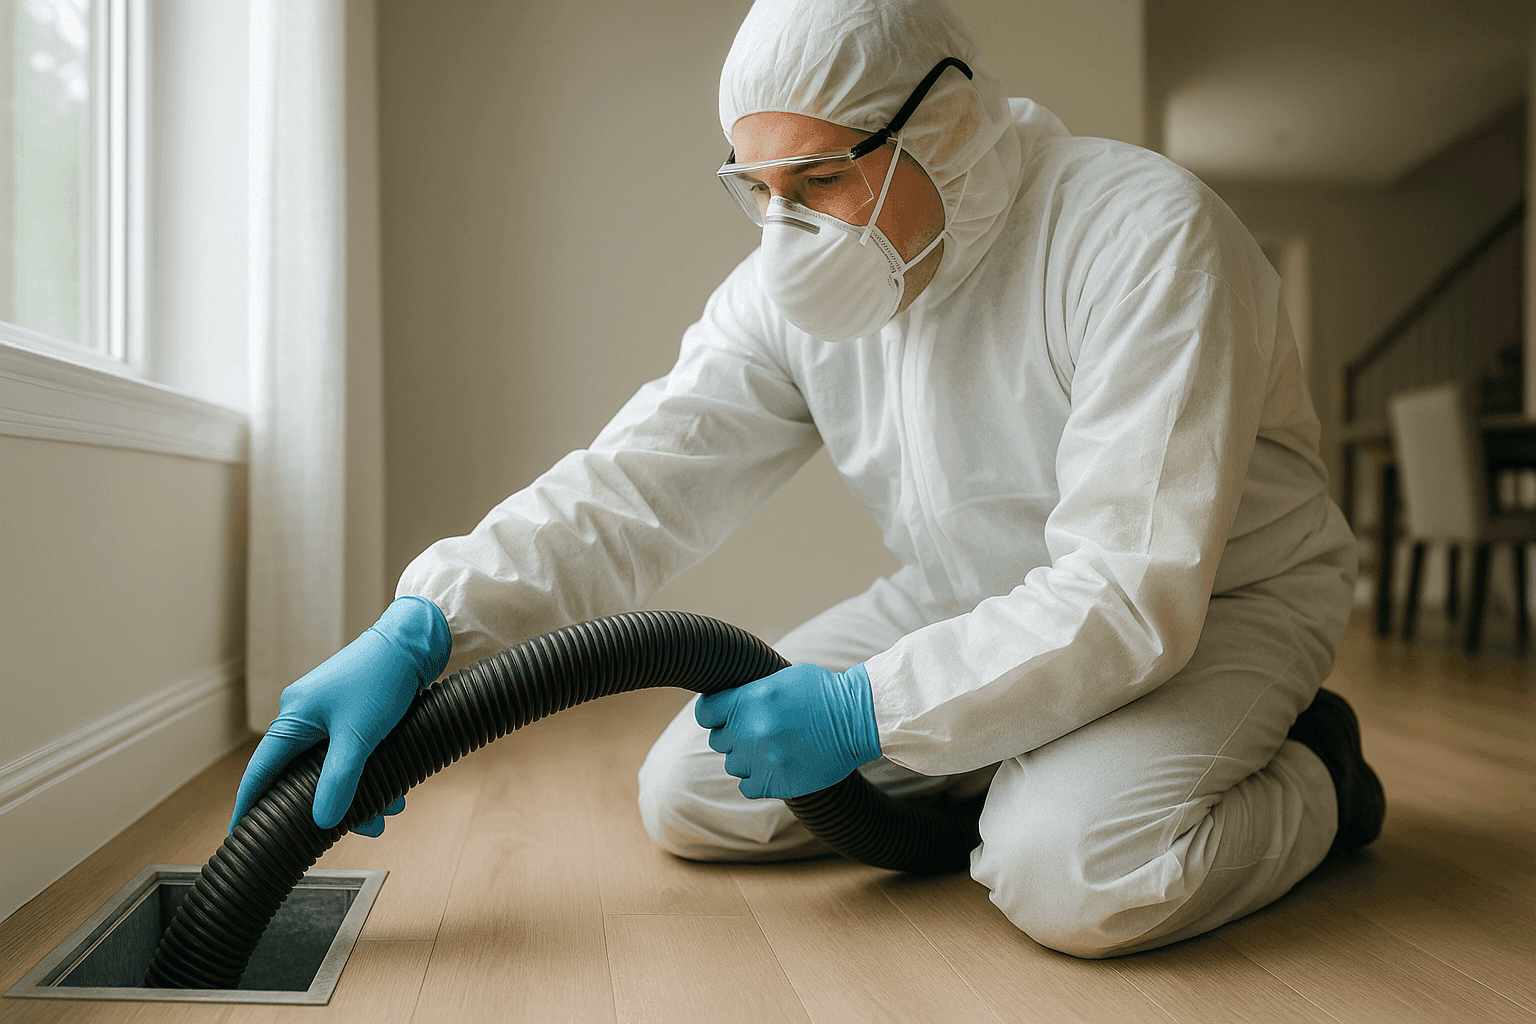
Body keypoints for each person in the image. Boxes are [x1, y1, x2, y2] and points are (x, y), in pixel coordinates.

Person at [230, 0, 1384, 958]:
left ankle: (1321, 776)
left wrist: (865, 711)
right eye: (758, 187)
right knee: (691, 788)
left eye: (820, 178)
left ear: (951, 124)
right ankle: (1009, 750)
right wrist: (428, 624)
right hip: (968, 594)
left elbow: (1131, 592)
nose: (784, 227)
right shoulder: (793, 301)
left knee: (1072, 873)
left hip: (1216, 603)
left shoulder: (1139, 237)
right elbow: (638, 482)